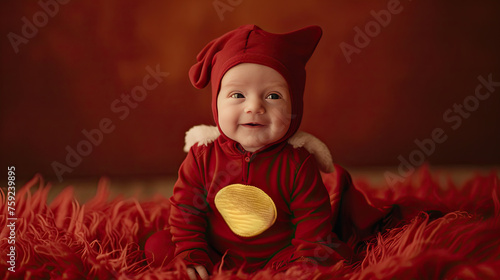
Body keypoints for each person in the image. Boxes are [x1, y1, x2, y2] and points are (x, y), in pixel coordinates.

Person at [145, 24, 390, 280]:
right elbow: (187, 209)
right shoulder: (201, 155)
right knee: (159, 247)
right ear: (216, 103)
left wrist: (306, 259)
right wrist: (192, 251)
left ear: (295, 104)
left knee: (330, 256)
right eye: (237, 94)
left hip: (280, 256)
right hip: (216, 252)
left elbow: (312, 218)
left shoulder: (297, 162)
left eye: (273, 96)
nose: (254, 107)